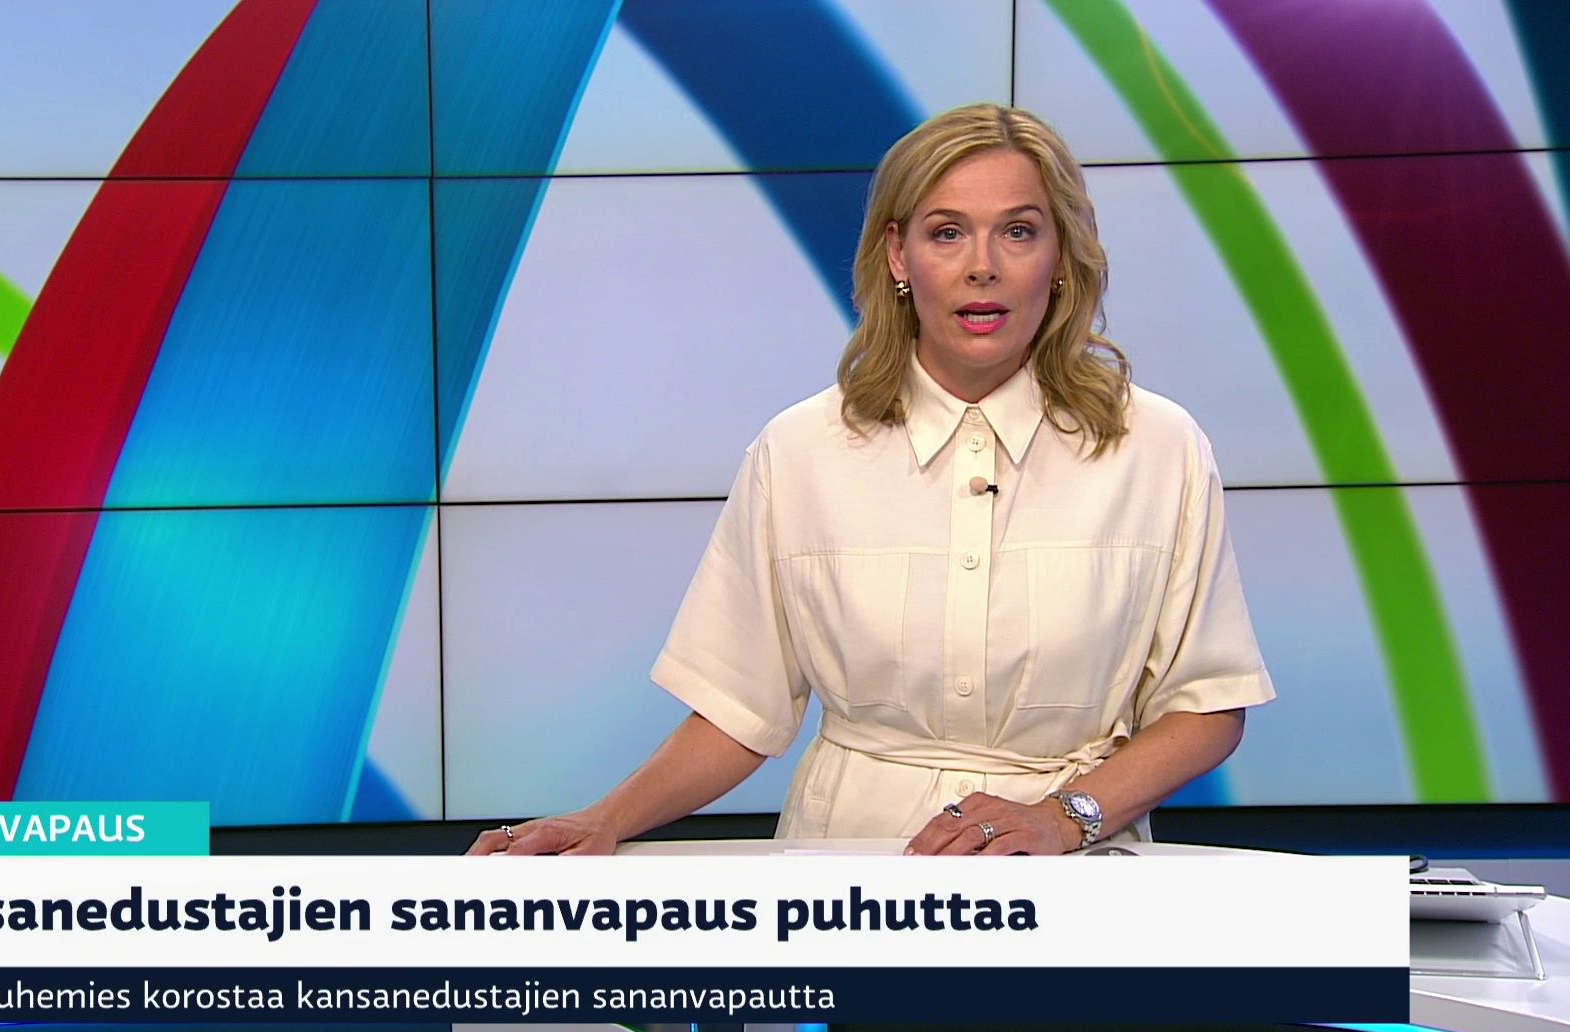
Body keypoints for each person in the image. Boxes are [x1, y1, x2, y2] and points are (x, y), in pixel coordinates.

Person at [468, 104, 1274, 858]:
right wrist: (603, 821)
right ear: (898, 255)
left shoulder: (1156, 446)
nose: (982, 267)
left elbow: (1206, 705)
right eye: (947, 233)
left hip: (1075, 874)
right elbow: (740, 709)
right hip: (848, 873)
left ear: (1060, 256)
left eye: (1019, 232)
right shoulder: (800, 451)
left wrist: (1064, 817)